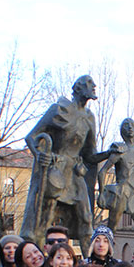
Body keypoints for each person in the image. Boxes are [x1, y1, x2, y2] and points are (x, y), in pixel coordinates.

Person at [20, 75, 104, 252]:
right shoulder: (59, 109)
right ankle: (38, 257)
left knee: (86, 218)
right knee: (45, 218)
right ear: (79, 88)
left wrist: (110, 153)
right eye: (89, 83)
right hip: (55, 171)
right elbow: (32, 137)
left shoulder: (89, 117)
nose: (94, 86)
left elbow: (90, 154)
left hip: (74, 173)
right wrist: (40, 155)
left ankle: (90, 263)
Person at [96, 118, 134, 236]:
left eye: (132, 125)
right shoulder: (119, 150)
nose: (130, 128)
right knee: (111, 229)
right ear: (122, 131)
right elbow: (102, 172)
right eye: (126, 125)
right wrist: (101, 194)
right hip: (120, 194)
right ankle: (108, 253)